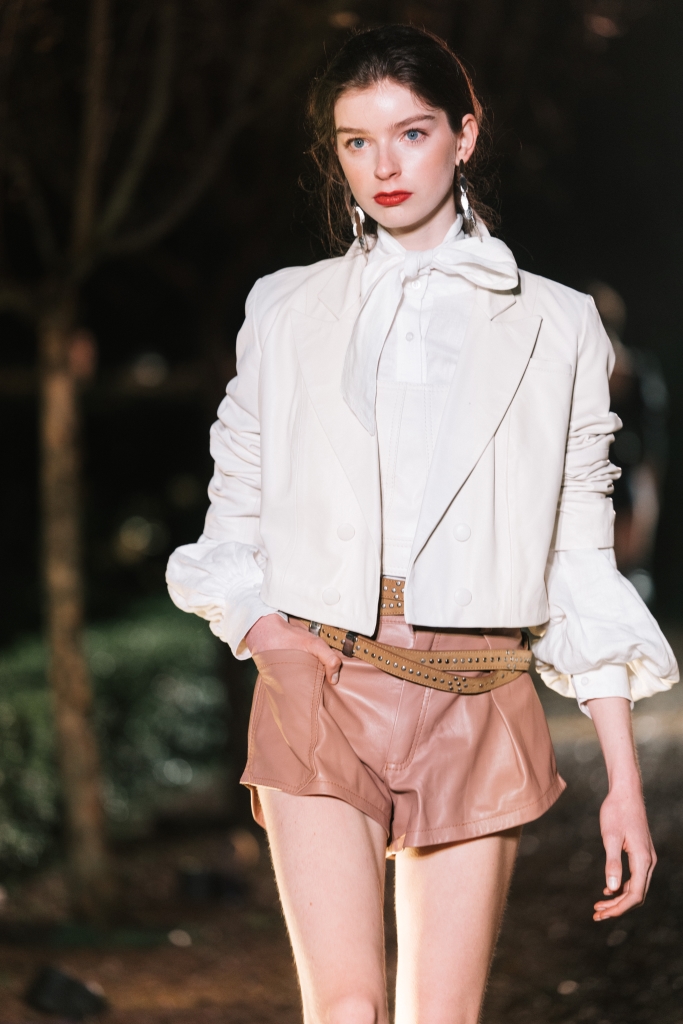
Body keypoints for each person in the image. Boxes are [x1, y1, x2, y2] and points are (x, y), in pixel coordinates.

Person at [167, 25, 678, 1024]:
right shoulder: (284, 309)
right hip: (319, 673)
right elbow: (233, 517)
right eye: (355, 141)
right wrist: (270, 637)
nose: (383, 166)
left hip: (474, 690)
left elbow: (577, 560)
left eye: (409, 133)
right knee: (347, 1010)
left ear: (464, 134)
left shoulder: (557, 324)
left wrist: (623, 781)